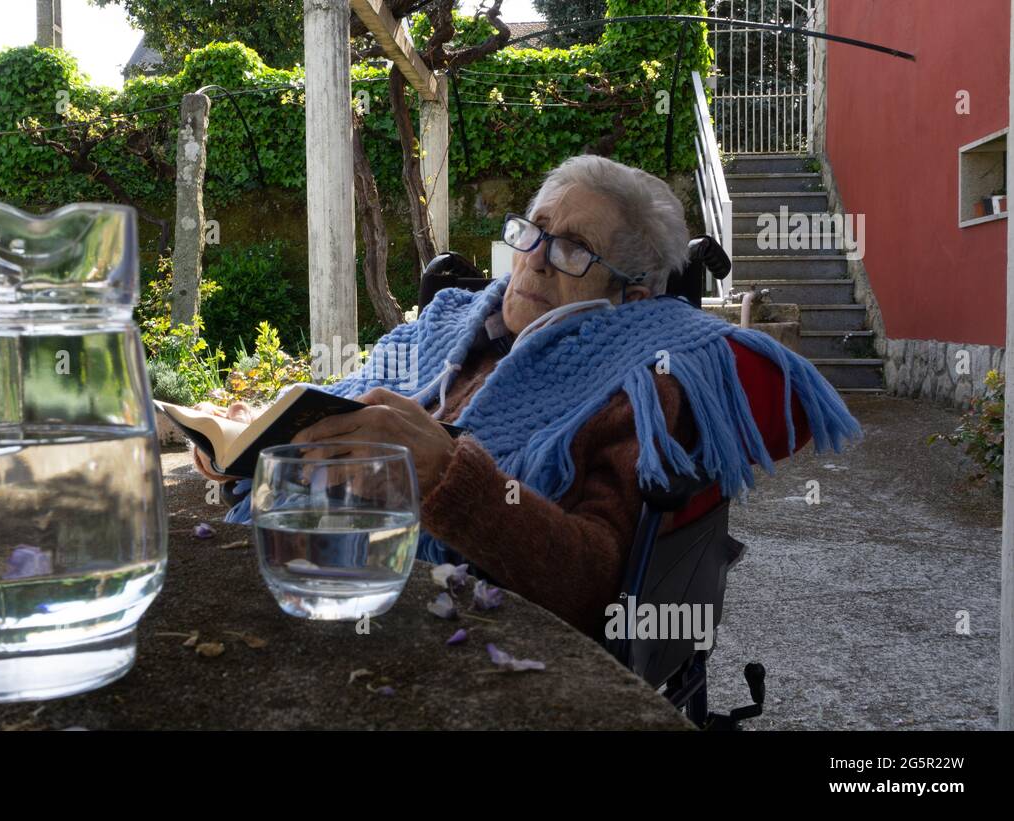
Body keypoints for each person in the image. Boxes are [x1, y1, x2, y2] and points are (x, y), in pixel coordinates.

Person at [196, 154, 860, 639]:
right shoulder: (448, 321)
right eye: (534, 230)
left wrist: (450, 478)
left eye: (575, 249)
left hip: (438, 629)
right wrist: (253, 438)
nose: (537, 257)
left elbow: (597, 582)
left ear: (630, 294)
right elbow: (343, 398)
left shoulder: (638, 384)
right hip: (313, 574)